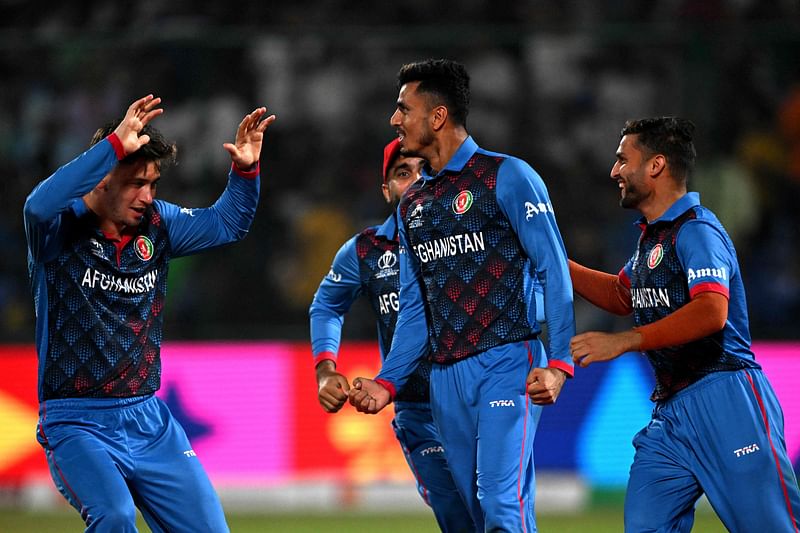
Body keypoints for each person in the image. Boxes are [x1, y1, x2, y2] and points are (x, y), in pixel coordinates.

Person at [24, 94, 276, 532]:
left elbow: (227, 223)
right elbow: (35, 206)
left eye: (153, 183)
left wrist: (245, 171)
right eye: (136, 182)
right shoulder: (57, 230)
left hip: (148, 419)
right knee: (115, 517)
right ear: (102, 177)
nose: (147, 196)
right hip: (76, 422)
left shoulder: (158, 225)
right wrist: (112, 147)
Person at [348, 59, 576, 532]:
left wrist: (559, 363)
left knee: (499, 503)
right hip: (444, 380)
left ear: (436, 117)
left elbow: (553, 271)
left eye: (403, 109)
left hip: (506, 362)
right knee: (475, 516)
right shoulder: (414, 204)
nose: (395, 120)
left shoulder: (507, 177)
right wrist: (387, 382)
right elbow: (415, 309)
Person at [568, 117, 800, 532]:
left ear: (655, 165)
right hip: (672, 415)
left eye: (623, 160)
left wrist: (625, 342)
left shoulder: (698, 231)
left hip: (727, 399)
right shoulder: (652, 239)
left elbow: (712, 311)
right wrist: (557, 265)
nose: (614, 171)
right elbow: (624, 296)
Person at [309, 139, 474, 532]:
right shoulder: (365, 251)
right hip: (418, 412)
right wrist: (325, 368)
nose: (416, 181)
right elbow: (326, 306)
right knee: (457, 515)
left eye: (425, 170)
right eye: (403, 173)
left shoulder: (473, 236)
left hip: (478, 403)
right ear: (386, 191)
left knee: (498, 510)